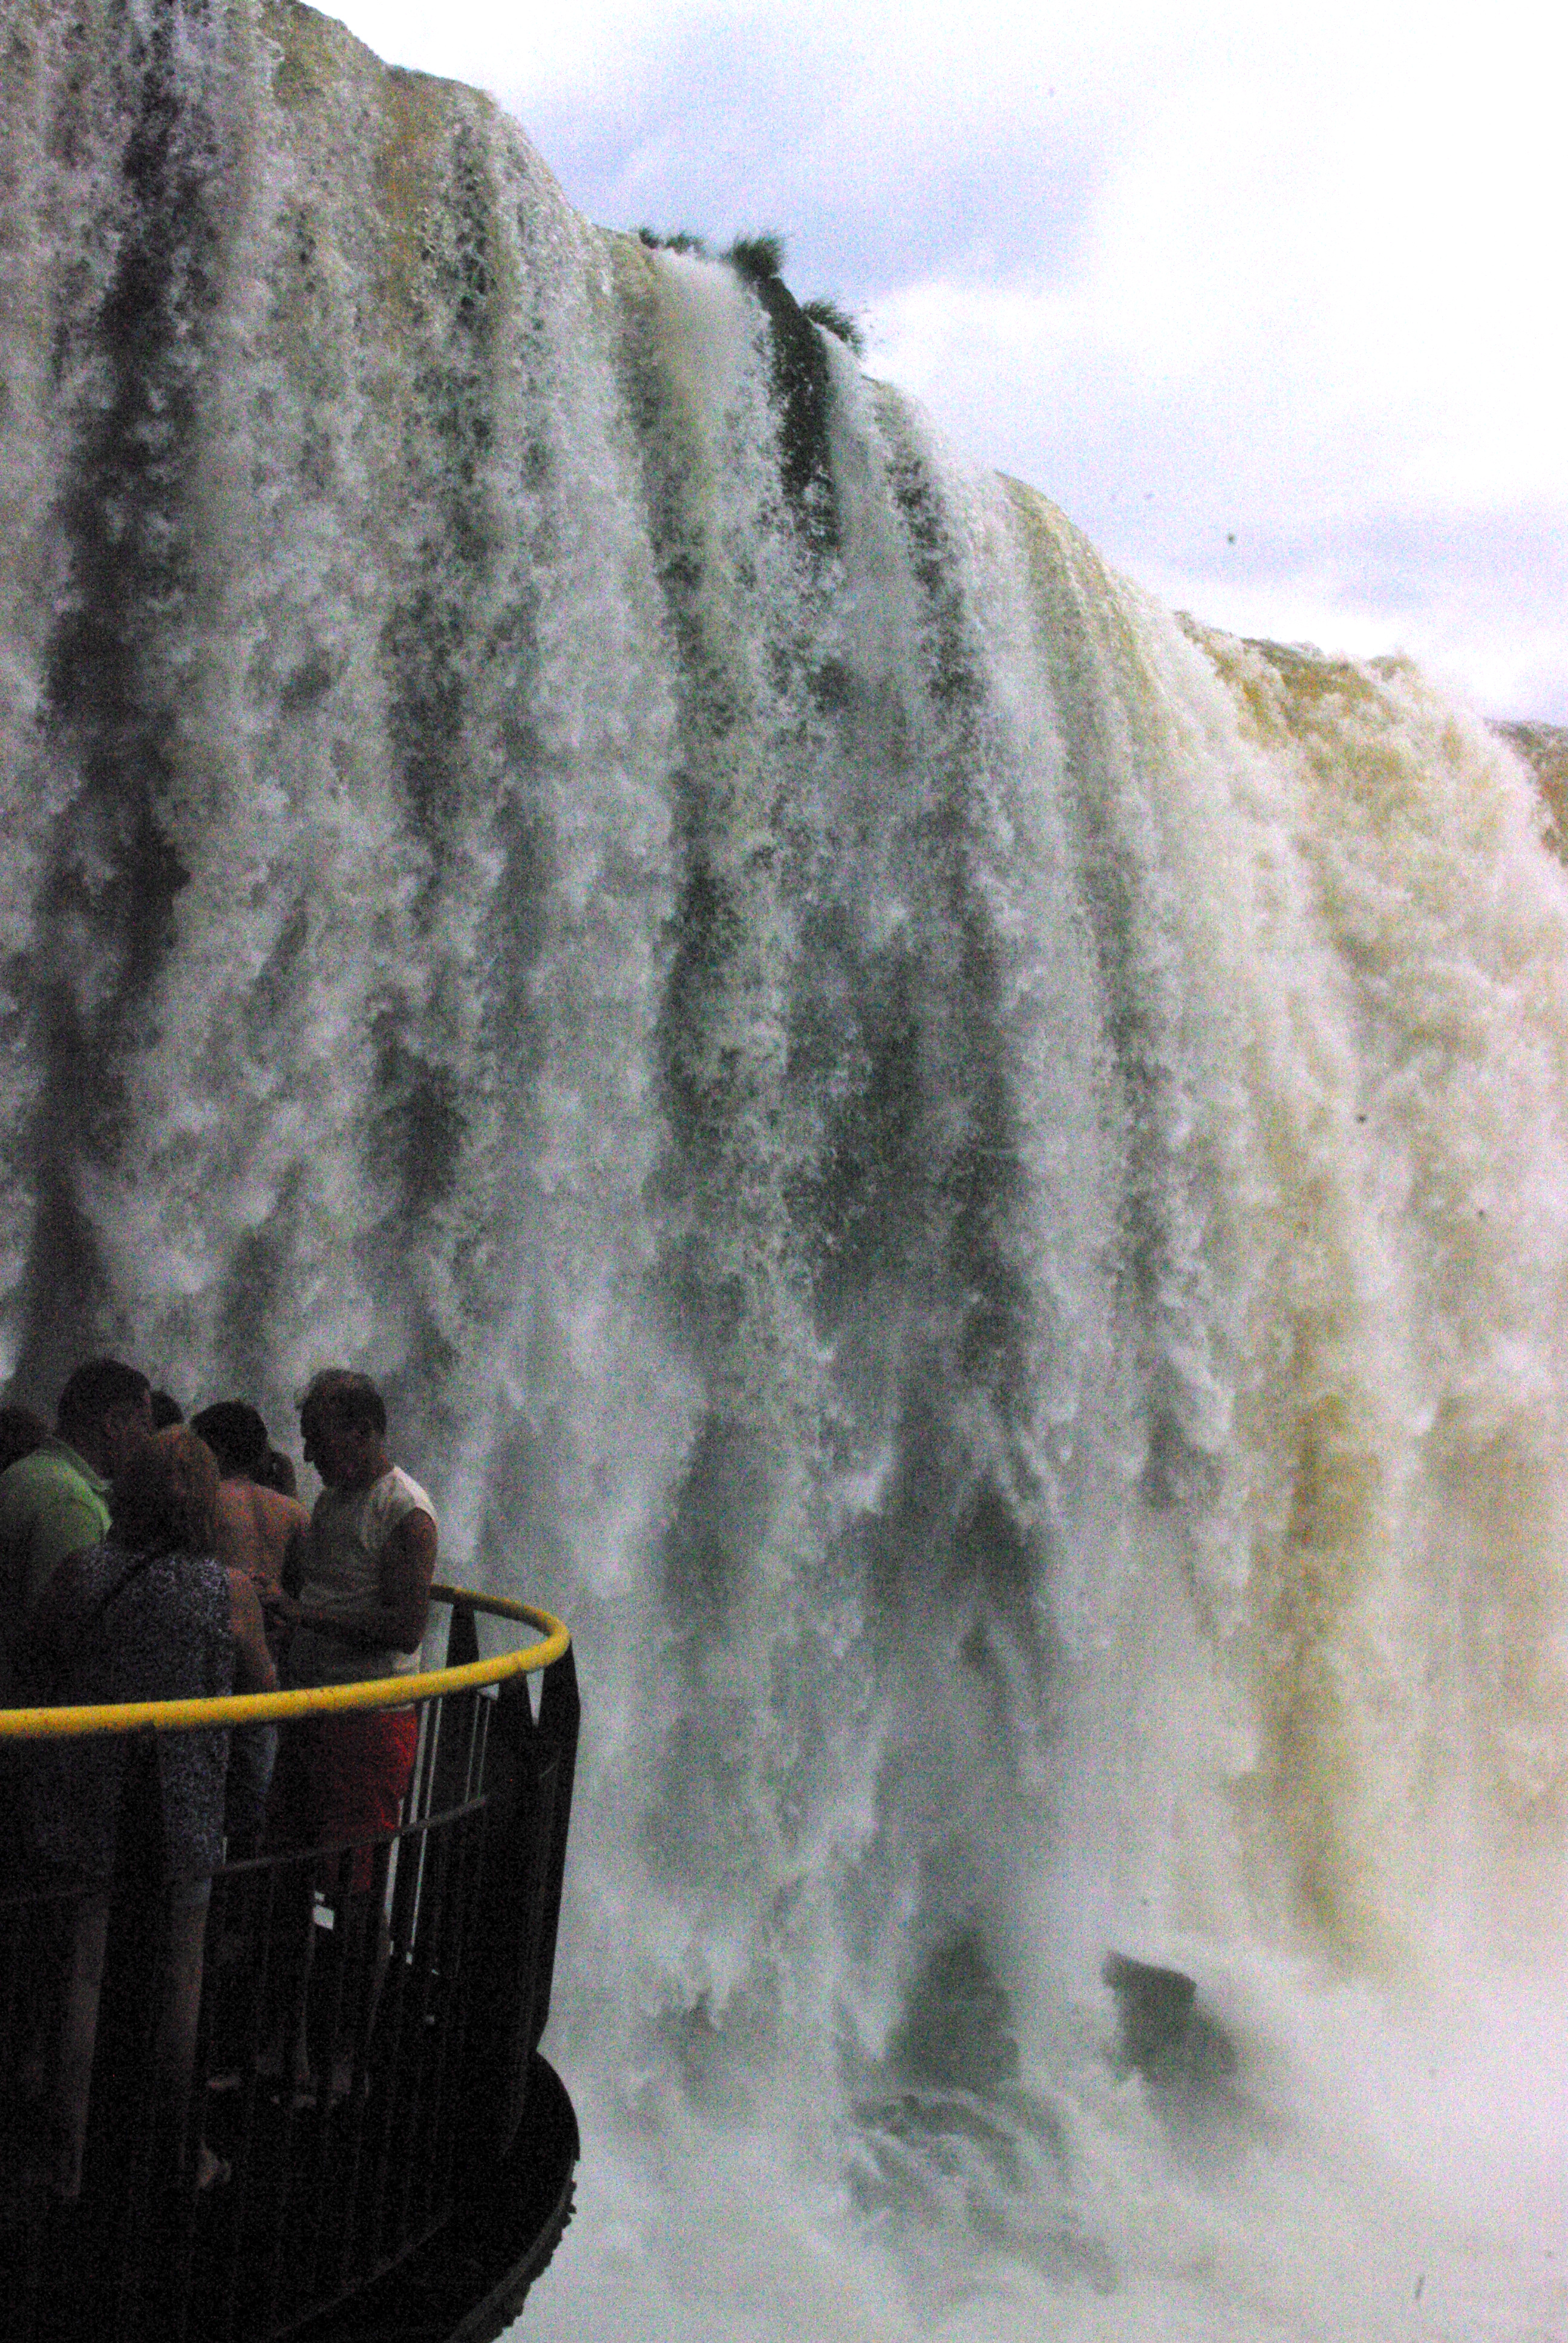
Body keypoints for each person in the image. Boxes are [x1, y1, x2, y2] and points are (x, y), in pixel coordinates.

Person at [22, 1427, 275, 2197]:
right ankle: (178, 2153)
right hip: (183, 1801)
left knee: (85, 1975)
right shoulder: (228, 1591)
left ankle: (65, 2159)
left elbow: (39, 1655)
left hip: (90, 1792)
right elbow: (265, 1696)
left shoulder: (80, 1572)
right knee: (180, 1981)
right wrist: (249, 1799)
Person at [262, 1371, 436, 2094]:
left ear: (365, 1430)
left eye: (319, 1439)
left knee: (359, 1895)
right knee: (290, 1877)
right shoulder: (333, 1501)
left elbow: (403, 1626)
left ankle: (343, 2064)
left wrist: (303, 1618)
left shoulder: (407, 1512)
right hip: (314, 1715)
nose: (307, 1456)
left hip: (368, 1728)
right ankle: (285, 2050)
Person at [191, 1400, 310, 1845]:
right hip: (266, 1667)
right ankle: (244, 1890)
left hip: (211, 1666)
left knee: (201, 1784)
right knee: (252, 1792)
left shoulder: (203, 1503)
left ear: (214, 1447)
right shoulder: (293, 1511)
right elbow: (301, 1593)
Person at [0, 1360, 153, 1702]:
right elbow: (63, 1637)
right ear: (113, 1424)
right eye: (144, 1427)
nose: (148, 1441)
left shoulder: (27, 1473)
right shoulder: (73, 1504)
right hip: (43, 1723)